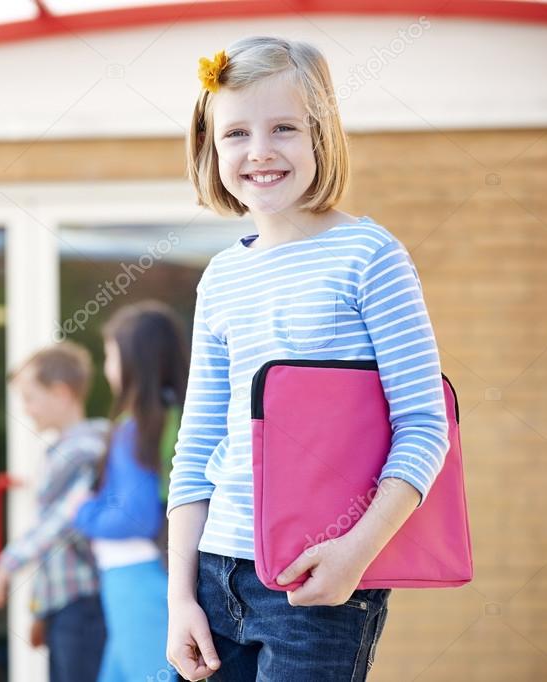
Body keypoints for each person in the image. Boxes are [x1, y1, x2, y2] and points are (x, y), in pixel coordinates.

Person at [166, 36, 452, 681]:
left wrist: (357, 552)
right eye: (236, 132)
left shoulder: (370, 257)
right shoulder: (219, 277)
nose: (259, 150)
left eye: (284, 128)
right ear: (212, 149)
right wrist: (179, 597)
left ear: (321, 136)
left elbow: (425, 425)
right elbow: (198, 443)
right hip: (213, 579)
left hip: (319, 581)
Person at [74, 301, 188, 682]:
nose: (107, 367)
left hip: (137, 576)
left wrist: (84, 512)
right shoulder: (177, 417)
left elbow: (134, 516)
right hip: (154, 572)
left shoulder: (136, 427)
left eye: (109, 355)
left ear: (131, 360)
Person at [0, 342, 109, 682]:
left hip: (83, 604)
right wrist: (42, 609)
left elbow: (62, 521)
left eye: (30, 396)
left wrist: (7, 564)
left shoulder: (85, 449)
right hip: (65, 605)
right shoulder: (62, 448)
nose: (25, 409)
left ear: (61, 393)